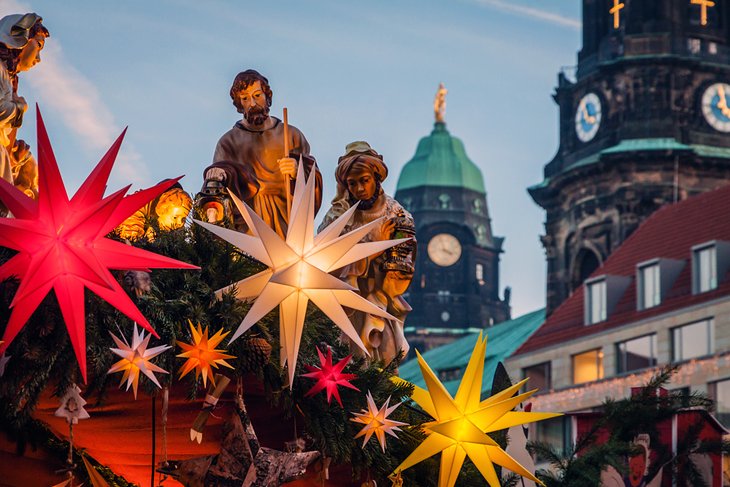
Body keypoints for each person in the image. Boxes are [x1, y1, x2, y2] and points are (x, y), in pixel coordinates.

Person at [318, 141, 416, 364]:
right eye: (352, 184)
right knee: (347, 357)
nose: (360, 189)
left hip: (378, 301)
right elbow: (322, 261)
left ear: (376, 178)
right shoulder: (338, 216)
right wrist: (375, 249)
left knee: (384, 356)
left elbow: (400, 271)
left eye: (365, 181)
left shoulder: (396, 214)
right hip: (344, 304)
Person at [200, 69, 321, 236]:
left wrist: (297, 171)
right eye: (245, 98)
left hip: (286, 220)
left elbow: (312, 177)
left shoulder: (291, 135)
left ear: (267, 95)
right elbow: (218, 184)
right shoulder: (229, 142)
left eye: (257, 95)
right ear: (239, 103)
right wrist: (219, 174)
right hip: (249, 221)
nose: (252, 103)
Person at [0, 13, 49, 203]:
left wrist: (15, 159)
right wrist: (20, 107)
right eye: (38, 46)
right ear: (19, 39)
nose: (38, 58)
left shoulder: (9, 79)